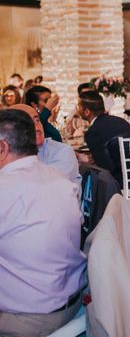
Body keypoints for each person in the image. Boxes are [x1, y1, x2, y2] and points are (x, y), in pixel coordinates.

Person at [0, 109, 87, 336]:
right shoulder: (58, 178)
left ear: (2, 149)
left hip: (30, 317)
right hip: (72, 301)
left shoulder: (4, 187)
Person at [78, 91, 130, 187]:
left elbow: (106, 168)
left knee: (82, 170)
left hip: (122, 181)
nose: (77, 110)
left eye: (78, 107)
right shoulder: (120, 121)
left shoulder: (92, 132)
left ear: (86, 112)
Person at [12, 104, 80, 187]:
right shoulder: (8, 154)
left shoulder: (61, 152)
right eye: (27, 124)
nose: (37, 128)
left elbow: (44, 188)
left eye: (37, 121)